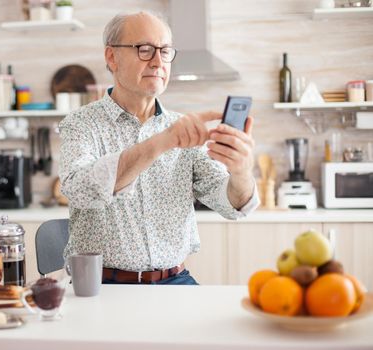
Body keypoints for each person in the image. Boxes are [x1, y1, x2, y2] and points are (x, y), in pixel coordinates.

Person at [59, 11, 259, 285]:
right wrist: (162, 142)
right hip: (102, 284)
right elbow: (79, 190)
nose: (157, 62)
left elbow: (231, 204)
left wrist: (242, 172)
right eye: (144, 50)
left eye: (165, 51)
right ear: (111, 57)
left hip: (175, 280)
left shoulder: (181, 128)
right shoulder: (81, 123)